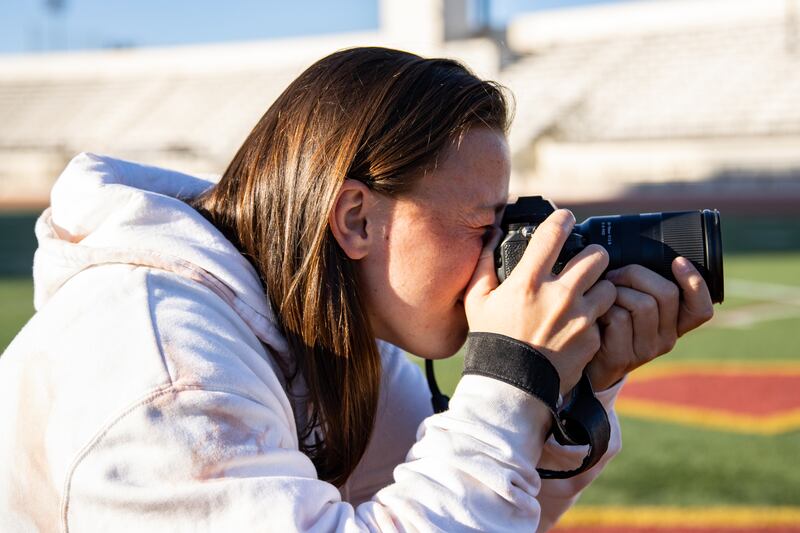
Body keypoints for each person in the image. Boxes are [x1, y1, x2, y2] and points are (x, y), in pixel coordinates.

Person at [0, 47, 713, 532]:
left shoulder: (331, 330)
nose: (500, 258)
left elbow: (491, 506)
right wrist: (509, 380)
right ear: (355, 218)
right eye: (481, 224)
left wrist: (569, 390)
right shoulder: (164, 365)